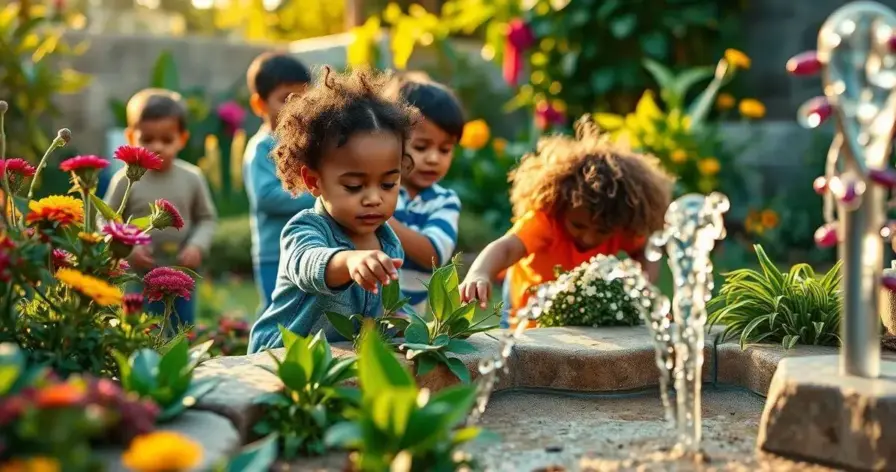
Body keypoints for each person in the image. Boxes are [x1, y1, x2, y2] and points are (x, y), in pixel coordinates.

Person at [247, 67, 418, 353]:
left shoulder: (389, 245)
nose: (374, 198)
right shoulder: (305, 229)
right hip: (280, 358)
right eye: (354, 186)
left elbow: (384, 311)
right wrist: (349, 262)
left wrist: (407, 325)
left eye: (388, 184)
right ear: (314, 181)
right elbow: (308, 263)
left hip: (337, 361)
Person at [458, 116, 673, 329]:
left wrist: (644, 287)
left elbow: (645, 249)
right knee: (520, 356)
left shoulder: (619, 223)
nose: (589, 237)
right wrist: (480, 272)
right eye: (578, 226)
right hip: (524, 306)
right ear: (561, 207)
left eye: (602, 231)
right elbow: (506, 248)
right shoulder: (546, 221)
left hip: (574, 309)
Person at [105, 88, 218, 327]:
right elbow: (106, 220)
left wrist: (197, 245)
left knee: (180, 328)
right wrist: (127, 248)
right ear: (131, 137)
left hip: (181, 273)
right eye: (147, 139)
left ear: (182, 139)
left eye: (167, 140)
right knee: (138, 329)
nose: (157, 146)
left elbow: (207, 218)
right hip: (136, 275)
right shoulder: (125, 179)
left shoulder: (192, 177)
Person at [384, 74, 465, 314]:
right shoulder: (378, 188)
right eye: (421, 147)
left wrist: (383, 219)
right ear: (391, 140)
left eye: (445, 149)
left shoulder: (444, 202)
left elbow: (434, 255)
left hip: (406, 321)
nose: (433, 159)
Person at [243, 52, 315, 315]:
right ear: (259, 104)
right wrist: (319, 195)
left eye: (303, 98)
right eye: (285, 99)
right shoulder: (261, 148)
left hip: (309, 248)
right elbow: (267, 197)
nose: (296, 107)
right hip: (275, 252)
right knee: (278, 315)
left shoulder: (305, 144)